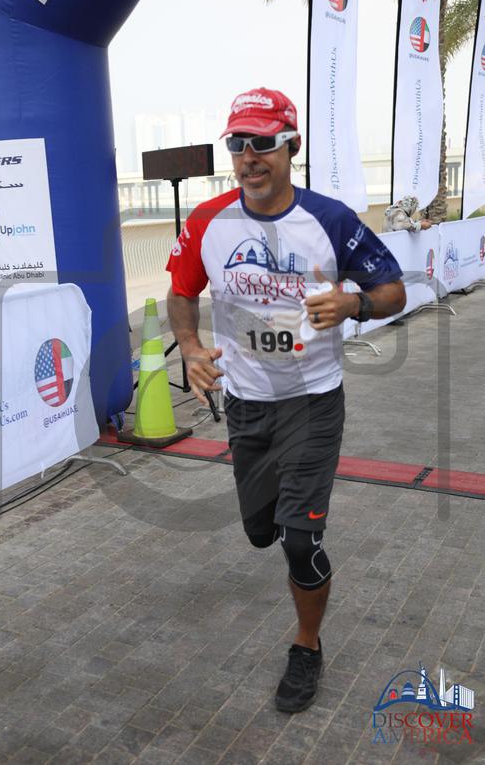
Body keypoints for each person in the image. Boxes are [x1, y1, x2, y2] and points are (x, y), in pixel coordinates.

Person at [166, 87, 406, 714]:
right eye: (237, 144)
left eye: (263, 144)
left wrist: (354, 304)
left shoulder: (331, 220)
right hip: (246, 405)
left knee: (299, 541)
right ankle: (283, 522)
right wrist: (189, 347)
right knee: (259, 533)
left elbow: (393, 291)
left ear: (291, 147)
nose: (248, 157)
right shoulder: (207, 221)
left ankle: (306, 645)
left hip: (311, 403)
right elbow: (182, 291)